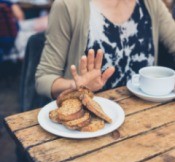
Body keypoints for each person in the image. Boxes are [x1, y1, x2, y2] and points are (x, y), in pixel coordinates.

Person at [35, 0, 175, 99]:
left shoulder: (152, 3)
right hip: (91, 122)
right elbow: (43, 79)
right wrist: (74, 85)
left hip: (146, 117)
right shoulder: (68, 5)